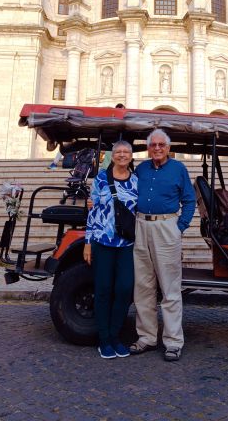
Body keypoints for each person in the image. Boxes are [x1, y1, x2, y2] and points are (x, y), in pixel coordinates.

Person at [130, 129, 196, 362]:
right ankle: (147, 337)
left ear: (168, 148)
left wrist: (180, 227)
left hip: (166, 226)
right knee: (143, 286)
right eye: (153, 145)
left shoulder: (179, 169)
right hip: (141, 226)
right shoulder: (141, 169)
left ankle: (173, 341)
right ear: (148, 148)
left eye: (161, 145)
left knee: (170, 288)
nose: (157, 148)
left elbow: (189, 199)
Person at [83, 140, 137, 360]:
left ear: (131, 157)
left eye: (126, 152)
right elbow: (93, 211)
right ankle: (104, 340)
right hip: (103, 242)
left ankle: (115, 336)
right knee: (103, 289)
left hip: (126, 244)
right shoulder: (101, 179)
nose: (122, 155)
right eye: (118, 152)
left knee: (124, 289)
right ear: (112, 156)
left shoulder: (136, 181)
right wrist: (88, 242)